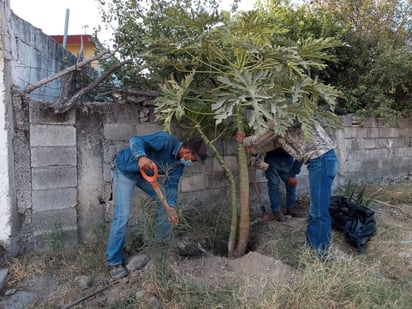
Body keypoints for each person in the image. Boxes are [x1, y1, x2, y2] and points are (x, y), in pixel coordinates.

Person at [106, 131, 207, 278]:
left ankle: (160, 244)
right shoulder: (166, 141)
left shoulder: (179, 165)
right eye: (194, 159)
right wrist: (141, 156)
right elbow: (135, 140)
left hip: (143, 175)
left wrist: (171, 207)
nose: (193, 162)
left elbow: (171, 186)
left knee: (165, 202)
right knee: (123, 215)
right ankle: (113, 262)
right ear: (187, 151)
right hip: (125, 170)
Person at [235, 121, 338, 259]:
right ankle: (312, 246)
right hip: (322, 160)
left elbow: (261, 138)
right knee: (315, 210)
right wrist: (254, 149)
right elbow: (276, 142)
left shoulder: (281, 116)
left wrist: (245, 141)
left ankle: (321, 255)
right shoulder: (290, 117)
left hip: (321, 161)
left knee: (318, 212)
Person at [264, 148, 304, 222]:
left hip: (287, 160)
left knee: (291, 184)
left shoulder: (299, 140)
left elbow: (301, 155)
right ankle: (276, 211)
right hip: (271, 159)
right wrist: (254, 155)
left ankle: (291, 208)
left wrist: (293, 174)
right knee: (273, 184)